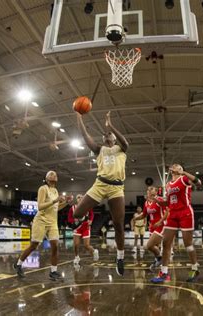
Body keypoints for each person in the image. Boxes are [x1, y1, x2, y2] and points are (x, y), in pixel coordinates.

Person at [73, 111, 129, 276]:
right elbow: (85, 136)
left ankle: (120, 257)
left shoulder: (121, 149)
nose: (107, 136)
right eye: (105, 134)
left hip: (117, 188)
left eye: (109, 134)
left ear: (113, 138)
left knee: (118, 225)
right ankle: (84, 220)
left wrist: (110, 125)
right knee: (77, 213)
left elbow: (125, 141)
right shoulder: (99, 150)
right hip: (100, 184)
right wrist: (79, 118)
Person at [13, 171, 72, 280]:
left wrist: (66, 203)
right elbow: (40, 206)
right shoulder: (43, 189)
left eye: (55, 174)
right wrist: (55, 200)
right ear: (46, 178)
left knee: (55, 246)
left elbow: (56, 208)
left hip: (53, 222)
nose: (54, 175)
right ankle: (18, 264)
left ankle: (53, 271)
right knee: (34, 245)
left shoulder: (55, 191)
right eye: (51, 174)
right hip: (41, 220)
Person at [151, 164, 201, 283]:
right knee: (166, 243)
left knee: (188, 244)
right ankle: (164, 273)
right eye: (173, 165)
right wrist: (158, 201)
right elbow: (168, 203)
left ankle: (195, 268)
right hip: (173, 213)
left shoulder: (184, 179)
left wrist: (183, 172)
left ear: (181, 169)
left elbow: (198, 182)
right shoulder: (168, 185)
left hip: (185, 213)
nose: (173, 166)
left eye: (177, 165)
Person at [132, 186, 169, 270]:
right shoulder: (146, 203)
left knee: (149, 246)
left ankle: (160, 259)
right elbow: (144, 215)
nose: (148, 190)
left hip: (160, 225)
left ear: (156, 192)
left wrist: (160, 221)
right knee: (154, 247)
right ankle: (159, 260)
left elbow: (167, 212)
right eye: (148, 189)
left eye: (151, 189)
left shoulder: (159, 200)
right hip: (152, 227)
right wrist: (135, 218)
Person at [68, 194, 99, 265]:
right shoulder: (72, 208)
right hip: (77, 228)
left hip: (86, 227)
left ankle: (94, 251)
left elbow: (92, 214)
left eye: (82, 197)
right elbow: (69, 218)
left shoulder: (87, 207)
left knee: (86, 245)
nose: (80, 198)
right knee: (76, 245)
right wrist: (74, 221)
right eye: (78, 197)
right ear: (77, 199)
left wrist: (90, 220)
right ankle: (76, 257)